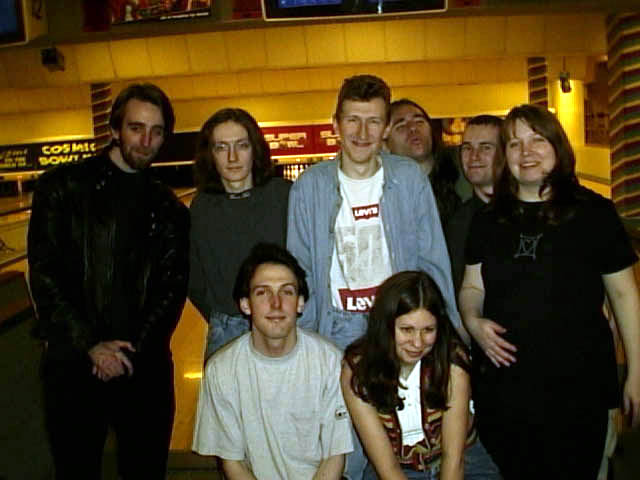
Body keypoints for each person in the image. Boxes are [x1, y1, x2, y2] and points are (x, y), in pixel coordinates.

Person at [459, 104, 640, 479]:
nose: (526, 152)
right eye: (514, 144)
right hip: (505, 391)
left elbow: (625, 298)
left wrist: (637, 371)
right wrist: (473, 320)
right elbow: (472, 286)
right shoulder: (487, 220)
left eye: (537, 140)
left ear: (558, 146)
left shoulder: (595, 213)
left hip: (580, 389)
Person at [28, 83, 189, 479]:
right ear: (115, 129)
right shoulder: (61, 187)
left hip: (143, 367)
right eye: (136, 128)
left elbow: (171, 290)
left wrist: (128, 352)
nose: (146, 141)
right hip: (73, 366)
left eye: (156, 131)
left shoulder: (169, 208)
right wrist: (90, 346)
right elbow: (45, 276)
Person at [192, 243, 353, 479]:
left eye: (287, 292)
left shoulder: (330, 362)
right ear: (245, 304)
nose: (276, 303)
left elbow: (334, 456)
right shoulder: (221, 370)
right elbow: (234, 464)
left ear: (300, 303)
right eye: (262, 292)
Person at [341, 271, 500, 480]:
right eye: (407, 330)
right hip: (394, 467)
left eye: (428, 330)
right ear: (385, 325)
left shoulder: (452, 361)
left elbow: (454, 460)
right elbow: (388, 470)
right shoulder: (358, 369)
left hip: (464, 461)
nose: (417, 343)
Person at [189, 108, 290, 361]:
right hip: (227, 328)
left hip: (282, 322)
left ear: (254, 149)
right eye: (221, 147)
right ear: (210, 155)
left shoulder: (285, 195)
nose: (232, 157)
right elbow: (193, 278)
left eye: (241, 146)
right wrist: (222, 314)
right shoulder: (201, 207)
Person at [385, 99, 469, 225]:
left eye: (419, 121)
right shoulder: (384, 195)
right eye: (401, 126)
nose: (413, 128)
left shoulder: (463, 168)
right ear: (385, 145)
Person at [445, 115, 503, 294]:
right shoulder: (456, 223)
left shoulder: (531, 213)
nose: (474, 156)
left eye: (486, 147)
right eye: (467, 148)